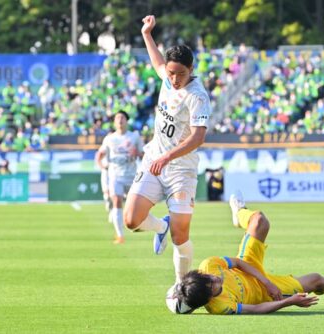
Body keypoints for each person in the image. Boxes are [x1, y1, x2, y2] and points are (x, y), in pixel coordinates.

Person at [123, 15, 212, 284]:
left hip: (180, 169)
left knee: (181, 236)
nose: (174, 79)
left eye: (180, 74)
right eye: (171, 73)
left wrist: (168, 156)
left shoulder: (198, 97)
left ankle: (180, 287)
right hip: (154, 159)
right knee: (131, 220)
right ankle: (160, 226)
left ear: (191, 69)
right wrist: (147, 34)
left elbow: (198, 138)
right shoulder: (166, 78)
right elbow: (158, 63)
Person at [175, 192, 324, 314]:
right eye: (212, 285)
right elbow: (256, 309)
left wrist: (266, 281)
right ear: (208, 298)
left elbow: (239, 263)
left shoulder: (209, 265)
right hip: (265, 294)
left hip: (249, 266)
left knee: (260, 220)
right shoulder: (220, 307)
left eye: (209, 278)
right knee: (317, 280)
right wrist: (288, 302)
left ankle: (239, 213)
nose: (215, 279)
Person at [95, 111, 144, 244]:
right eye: (117, 118)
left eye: (122, 117)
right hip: (115, 175)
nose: (120, 120)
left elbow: (145, 156)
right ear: (114, 122)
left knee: (134, 207)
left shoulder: (134, 136)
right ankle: (120, 235)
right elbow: (99, 155)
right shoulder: (109, 138)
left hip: (131, 175)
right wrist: (102, 167)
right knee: (116, 201)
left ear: (127, 121)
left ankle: (138, 224)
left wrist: (138, 153)